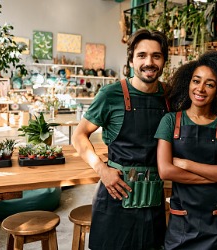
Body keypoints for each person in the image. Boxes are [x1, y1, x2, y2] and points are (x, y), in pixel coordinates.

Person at [72, 28, 169, 250]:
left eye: (156, 56)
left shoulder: (169, 96)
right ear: (132, 60)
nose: (149, 62)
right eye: (142, 55)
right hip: (116, 195)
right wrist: (101, 169)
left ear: (164, 61)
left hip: (153, 199)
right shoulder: (110, 95)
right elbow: (79, 135)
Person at [155, 50, 217, 249]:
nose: (201, 89)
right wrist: (216, 174)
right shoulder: (170, 121)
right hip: (183, 221)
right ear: (188, 83)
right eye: (196, 81)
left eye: (210, 84)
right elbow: (165, 171)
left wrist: (185, 163)